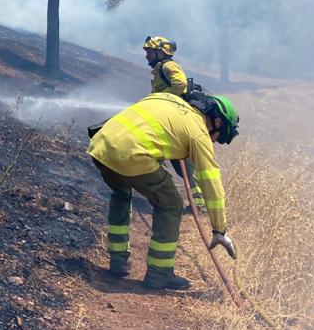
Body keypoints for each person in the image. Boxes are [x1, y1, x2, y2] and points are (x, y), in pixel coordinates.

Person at [88, 91, 239, 290]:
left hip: (101, 146)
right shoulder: (199, 133)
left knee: (121, 193)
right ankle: (159, 275)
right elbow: (210, 182)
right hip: (130, 155)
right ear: (217, 122)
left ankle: (118, 261)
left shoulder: (167, 99)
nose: (214, 142)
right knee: (171, 204)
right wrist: (219, 229)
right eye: (218, 137)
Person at [143, 35, 204, 209]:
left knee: (184, 165)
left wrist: (160, 99)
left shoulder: (168, 66)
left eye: (149, 52)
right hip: (168, 122)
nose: (146, 56)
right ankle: (196, 203)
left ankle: (198, 204)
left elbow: (180, 84)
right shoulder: (160, 69)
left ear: (159, 52)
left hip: (174, 124)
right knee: (180, 165)